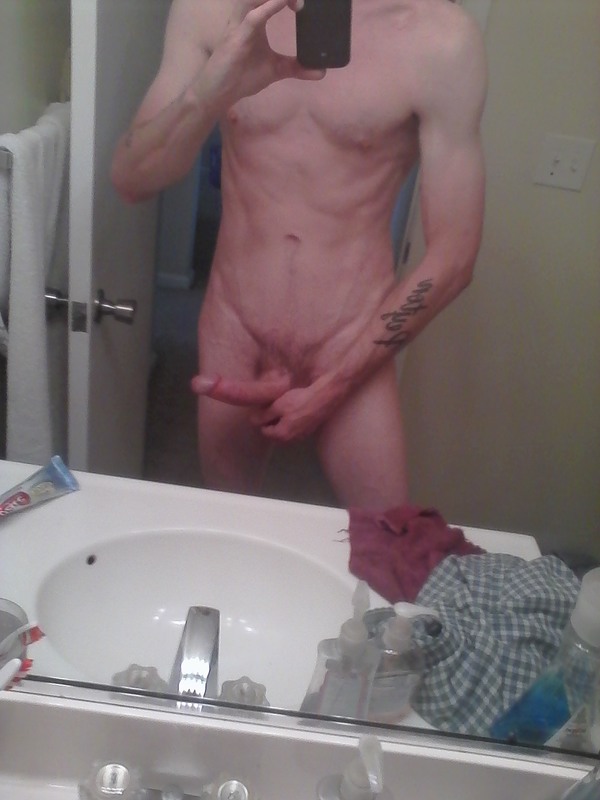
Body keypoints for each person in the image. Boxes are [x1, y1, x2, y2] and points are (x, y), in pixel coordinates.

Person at [111, 0, 487, 510]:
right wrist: (209, 92)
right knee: (229, 518)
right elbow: (131, 179)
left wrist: (336, 383)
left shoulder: (440, 37)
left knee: (386, 536)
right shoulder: (210, 9)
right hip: (235, 324)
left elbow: (454, 253)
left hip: (352, 334)